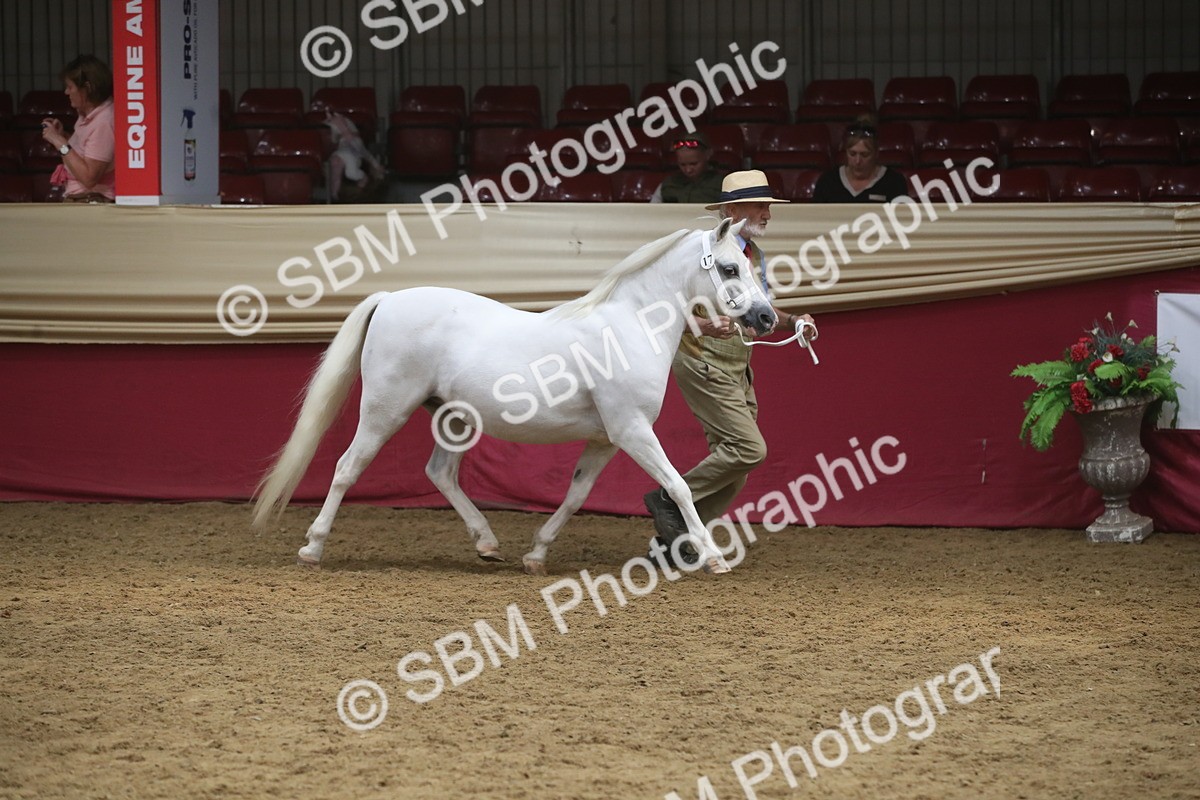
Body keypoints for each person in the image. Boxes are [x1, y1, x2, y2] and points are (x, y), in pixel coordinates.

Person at [645, 170, 816, 563]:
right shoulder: (697, 250)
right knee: (748, 449)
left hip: (738, 364)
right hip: (702, 360)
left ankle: (677, 541)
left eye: (768, 206)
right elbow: (662, 310)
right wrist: (704, 325)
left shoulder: (752, 255)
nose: (767, 214)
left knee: (736, 467)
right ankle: (669, 497)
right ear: (732, 210)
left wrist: (794, 322)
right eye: (759, 206)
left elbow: (759, 307)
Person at [41, 54, 115, 202]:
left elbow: (89, 178)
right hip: (82, 198)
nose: (66, 92)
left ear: (87, 88)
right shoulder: (87, 114)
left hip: (91, 199)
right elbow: (83, 152)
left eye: (70, 87)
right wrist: (63, 136)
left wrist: (59, 142)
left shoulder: (104, 122)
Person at [812, 117, 909, 203]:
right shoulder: (828, 181)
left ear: (876, 153)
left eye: (865, 155)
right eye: (852, 154)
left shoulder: (894, 182)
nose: (857, 161)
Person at [649, 131, 726, 204]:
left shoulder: (723, 184)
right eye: (682, 164)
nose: (688, 170)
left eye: (693, 164)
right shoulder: (668, 184)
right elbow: (651, 211)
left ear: (708, 154)